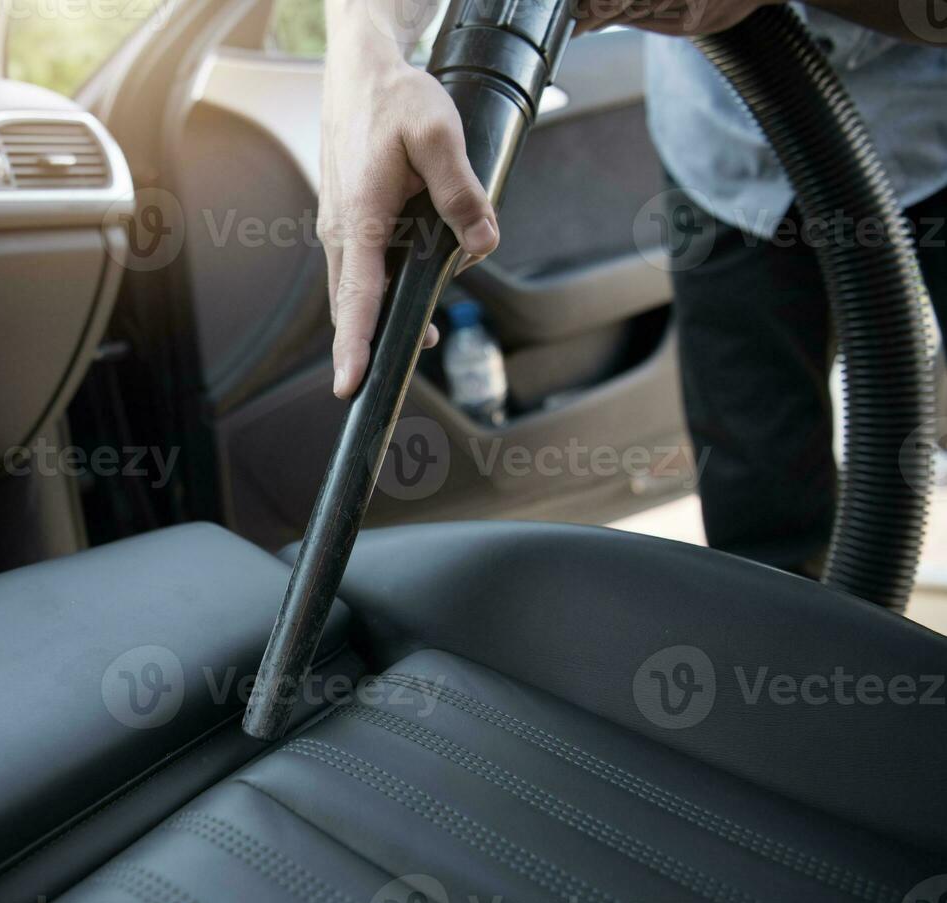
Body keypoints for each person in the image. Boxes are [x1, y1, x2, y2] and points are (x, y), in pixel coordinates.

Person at [320, 0, 947, 575]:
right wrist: (365, 54)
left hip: (931, 127)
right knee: (758, 492)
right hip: (722, 156)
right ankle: (784, 681)